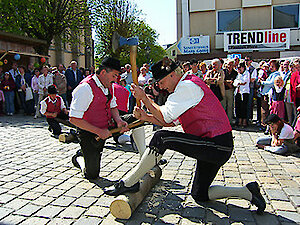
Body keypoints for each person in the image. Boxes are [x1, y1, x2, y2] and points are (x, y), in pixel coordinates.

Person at [104, 57, 266, 215]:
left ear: (172, 75)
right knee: (199, 194)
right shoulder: (186, 85)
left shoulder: (187, 86)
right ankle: (247, 192)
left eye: (161, 82)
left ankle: (128, 182)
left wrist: (144, 98)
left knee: (161, 137)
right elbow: (171, 122)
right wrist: (146, 117)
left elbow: (165, 118)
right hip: (213, 145)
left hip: (216, 144)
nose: (161, 87)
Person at [69, 57, 146, 181]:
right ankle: (79, 158)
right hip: (90, 133)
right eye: (114, 76)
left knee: (137, 118)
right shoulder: (85, 88)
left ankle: (145, 158)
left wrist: (119, 121)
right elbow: (73, 119)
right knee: (92, 174)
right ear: (103, 72)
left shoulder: (109, 85)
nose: (116, 79)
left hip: (107, 125)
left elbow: (113, 106)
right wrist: (98, 131)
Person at [233, 62, 250, 127]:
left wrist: (238, 83)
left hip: (244, 92)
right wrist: (238, 83)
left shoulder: (247, 73)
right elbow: (235, 83)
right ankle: (239, 121)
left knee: (244, 107)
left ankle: (244, 121)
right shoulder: (238, 75)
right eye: (238, 68)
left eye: (240, 67)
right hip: (238, 92)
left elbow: (244, 82)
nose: (239, 69)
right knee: (238, 107)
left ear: (243, 68)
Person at [223, 59, 238, 124]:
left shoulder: (235, 73)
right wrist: (227, 82)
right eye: (228, 64)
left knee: (230, 106)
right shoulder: (223, 72)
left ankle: (229, 121)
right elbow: (221, 80)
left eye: (231, 65)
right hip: (223, 90)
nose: (229, 66)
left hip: (230, 90)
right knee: (223, 106)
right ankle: (223, 121)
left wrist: (227, 82)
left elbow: (235, 82)